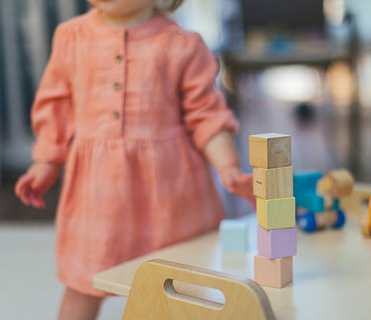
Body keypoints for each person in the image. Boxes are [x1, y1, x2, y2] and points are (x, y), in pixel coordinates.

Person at [14, 0, 254, 319]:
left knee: (180, 283)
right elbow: (54, 106)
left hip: (170, 195)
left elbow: (207, 115)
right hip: (99, 196)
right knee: (84, 282)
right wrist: (45, 161)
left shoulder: (182, 44)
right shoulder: (71, 37)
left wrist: (229, 167)